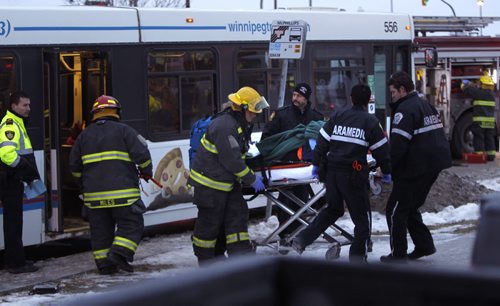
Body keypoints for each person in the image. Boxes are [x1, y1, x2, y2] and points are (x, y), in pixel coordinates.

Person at [291, 84, 391, 263]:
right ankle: (357, 259)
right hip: (353, 175)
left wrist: (316, 164)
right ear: (368, 100)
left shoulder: (338, 115)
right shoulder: (370, 122)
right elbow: (382, 151)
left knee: (333, 210)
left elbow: (322, 141)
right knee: (362, 219)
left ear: (351, 98)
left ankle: (302, 239)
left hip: (332, 174)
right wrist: (387, 172)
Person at [69, 95, 153, 274]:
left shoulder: (83, 136)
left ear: (95, 114)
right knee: (132, 224)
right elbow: (143, 155)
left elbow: (74, 167)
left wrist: (83, 187)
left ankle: (105, 265)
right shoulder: (125, 131)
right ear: (116, 112)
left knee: (100, 231)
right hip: (124, 195)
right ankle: (119, 253)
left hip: (94, 197)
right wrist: (146, 172)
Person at [188, 86, 269, 265]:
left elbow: (237, 154)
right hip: (210, 187)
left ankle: (240, 257)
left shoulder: (237, 124)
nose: (256, 115)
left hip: (227, 184)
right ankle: (207, 263)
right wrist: (252, 178)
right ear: (244, 108)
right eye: (254, 112)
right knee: (209, 227)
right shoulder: (224, 126)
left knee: (237, 217)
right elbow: (231, 160)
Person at [380, 71, 452, 263]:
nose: (392, 96)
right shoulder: (424, 104)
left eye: (393, 92)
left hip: (416, 168)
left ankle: (398, 255)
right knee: (409, 207)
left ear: (402, 90)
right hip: (432, 165)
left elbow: (398, 146)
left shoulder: (404, 110)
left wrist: (385, 167)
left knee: (395, 211)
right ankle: (424, 245)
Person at [261, 83, 324, 241]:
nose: (295, 98)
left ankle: (298, 232)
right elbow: (267, 138)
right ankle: (285, 233)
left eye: (299, 96)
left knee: (302, 201)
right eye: (294, 95)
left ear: (306, 98)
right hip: (285, 166)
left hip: (306, 167)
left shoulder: (316, 117)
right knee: (286, 202)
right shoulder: (282, 115)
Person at [0, 91, 40, 274]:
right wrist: (23, 167)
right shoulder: (10, 124)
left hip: (12, 180)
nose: (28, 108)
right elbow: (7, 154)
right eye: (24, 105)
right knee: (13, 222)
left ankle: (17, 259)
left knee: (15, 222)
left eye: (29, 105)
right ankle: (16, 264)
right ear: (13, 106)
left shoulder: (16, 122)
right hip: (11, 181)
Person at [462, 72, 497, 161]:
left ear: (482, 84)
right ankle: (491, 156)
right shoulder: (492, 95)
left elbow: (466, 89)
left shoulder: (478, 92)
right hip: (490, 122)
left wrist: (465, 82)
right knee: (489, 138)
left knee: (479, 138)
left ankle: (480, 156)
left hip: (480, 122)